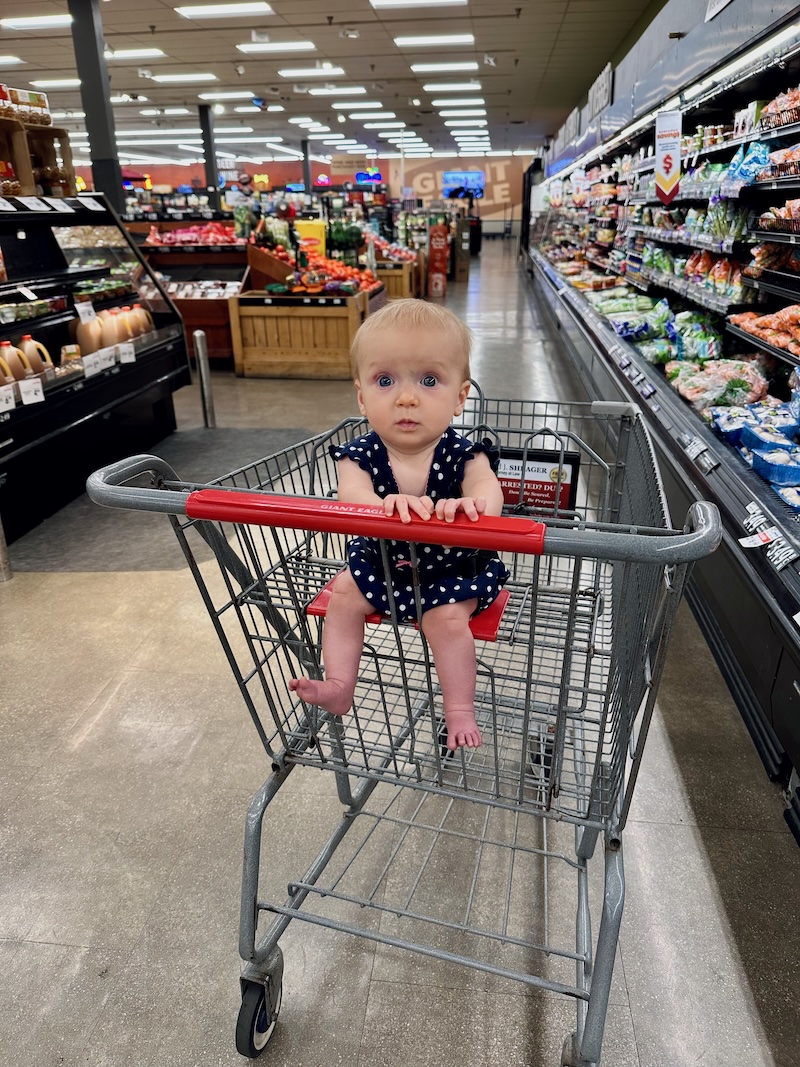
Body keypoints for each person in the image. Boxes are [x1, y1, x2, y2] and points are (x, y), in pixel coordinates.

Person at [290, 300, 509, 751]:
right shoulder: (360, 455)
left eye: (429, 381)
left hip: (454, 572)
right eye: (385, 380)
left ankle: (459, 709)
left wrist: (473, 506)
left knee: (447, 622)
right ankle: (339, 684)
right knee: (344, 596)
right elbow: (352, 498)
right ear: (361, 396)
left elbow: (490, 493)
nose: (406, 397)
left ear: (460, 398)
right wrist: (382, 505)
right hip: (382, 565)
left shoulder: (465, 454)